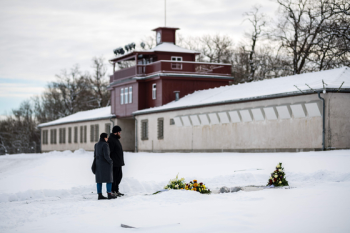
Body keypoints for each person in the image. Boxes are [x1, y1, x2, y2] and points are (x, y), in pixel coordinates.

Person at [94, 133, 116, 200]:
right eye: (107, 137)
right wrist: (111, 162)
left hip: (98, 164)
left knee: (99, 180)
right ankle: (109, 194)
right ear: (104, 138)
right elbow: (106, 156)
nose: (107, 139)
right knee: (109, 179)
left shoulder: (96, 145)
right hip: (105, 164)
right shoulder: (105, 145)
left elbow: (95, 155)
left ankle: (99, 195)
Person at [108, 125, 125, 197]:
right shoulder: (111, 140)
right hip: (114, 163)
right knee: (114, 178)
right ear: (116, 132)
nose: (120, 133)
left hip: (118, 163)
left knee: (119, 177)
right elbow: (109, 152)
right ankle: (113, 191)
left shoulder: (116, 139)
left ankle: (116, 190)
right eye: (119, 132)